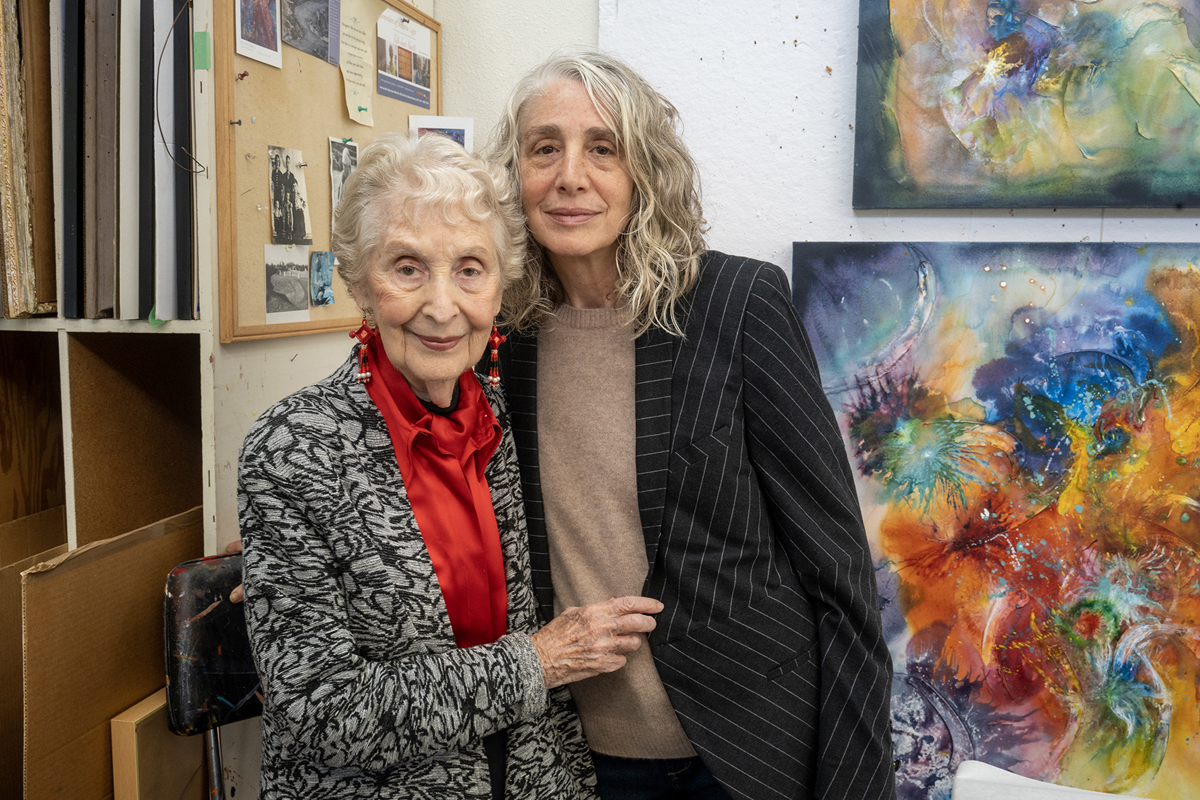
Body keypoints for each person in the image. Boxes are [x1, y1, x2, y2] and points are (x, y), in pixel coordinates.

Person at [487, 49, 897, 800]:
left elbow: (837, 568)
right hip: (576, 761)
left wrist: (855, 783)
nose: (570, 175)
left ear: (645, 170)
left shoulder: (737, 304)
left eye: (602, 148)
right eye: (545, 147)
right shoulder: (498, 334)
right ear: (514, 173)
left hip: (745, 755)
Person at [237, 131, 664, 799]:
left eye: (470, 268)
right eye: (407, 268)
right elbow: (325, 714)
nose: (442, 307)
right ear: (360, 284)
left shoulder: (509, 419)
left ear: (499, 288)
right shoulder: (295, 447)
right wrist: (539, 661)